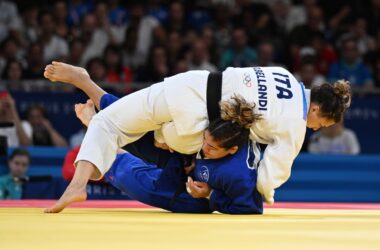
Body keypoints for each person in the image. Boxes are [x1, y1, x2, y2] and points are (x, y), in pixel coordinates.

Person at [43, 61, 351, 213]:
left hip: (192, 84)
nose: (316, 129)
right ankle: (160, 137)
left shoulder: (284, 75)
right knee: (164, 149)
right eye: (321, 124)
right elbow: (269, 179)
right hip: (200, 127)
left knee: (109, 123)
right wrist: (263, 194)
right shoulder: (295, 124)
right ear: (318, 111)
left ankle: (77, 185)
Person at [71, 93, 263, 214]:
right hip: (182, 160)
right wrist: (180, 146)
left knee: (127, 175)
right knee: (138, 130)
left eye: (211, 148)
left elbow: (250, 208)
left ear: (232, 150)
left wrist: (210, 194)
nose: (205, 148)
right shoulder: (226, 126)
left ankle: (94, 123)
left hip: (190, 197)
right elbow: (204, 146)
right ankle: (95, 108)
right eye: (204, 141)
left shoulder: (238, 176)